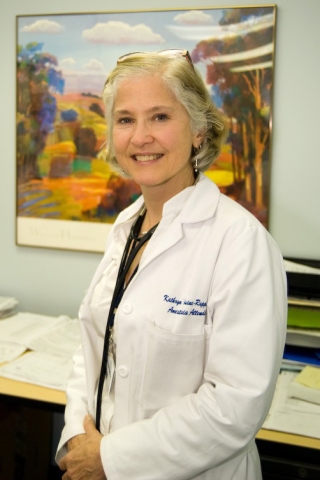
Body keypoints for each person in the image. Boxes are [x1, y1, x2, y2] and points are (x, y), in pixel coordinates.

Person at [57, 49, 287, 480]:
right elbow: (92, 347)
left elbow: (235, 406)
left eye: (160, 117)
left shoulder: (241, 243)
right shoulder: (127, 226)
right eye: (125, 120)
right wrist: (77, 438)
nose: (140, 136)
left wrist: (112, 458)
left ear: (199, 130)